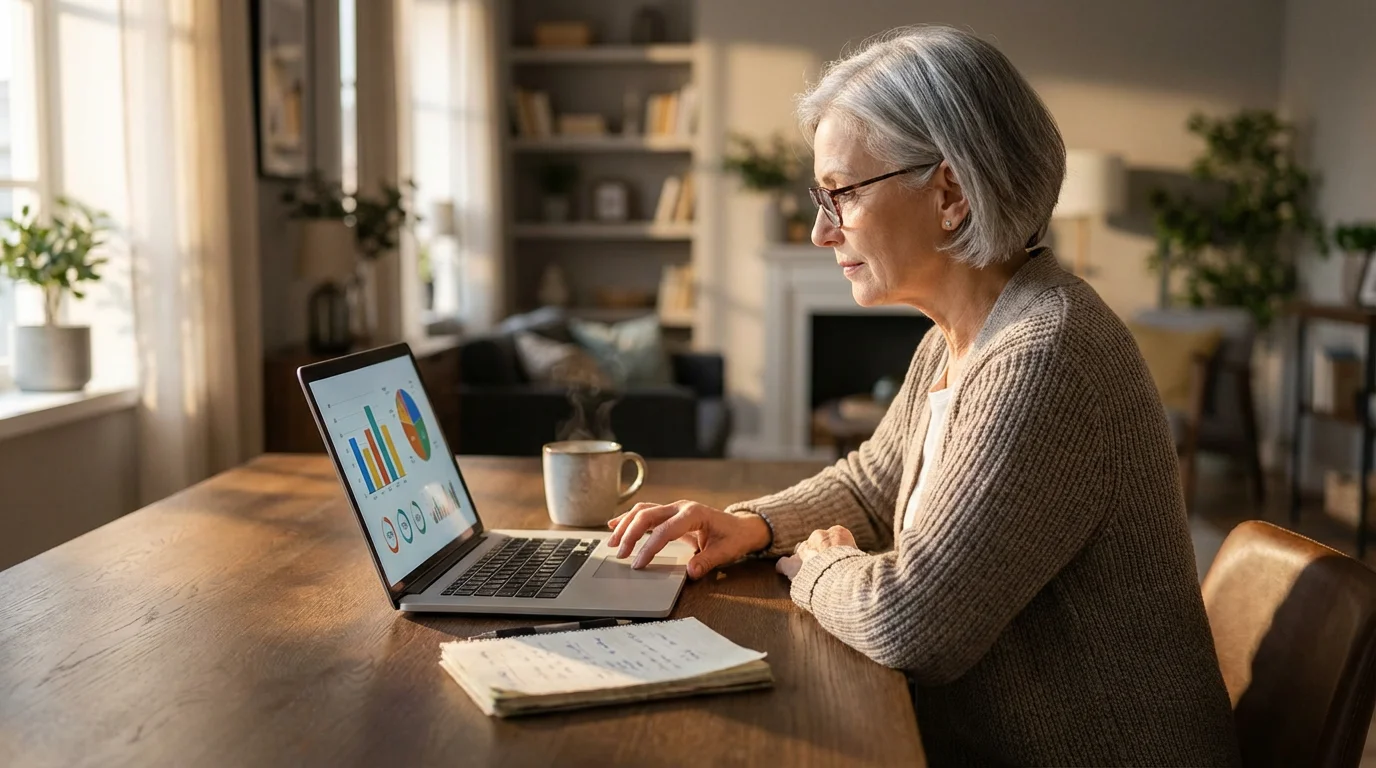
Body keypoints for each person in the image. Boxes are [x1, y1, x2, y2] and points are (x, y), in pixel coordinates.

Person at [607, 25, 1239, 767]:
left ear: (951, 192)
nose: (819, 230)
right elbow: (873, 488)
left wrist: (818, 570)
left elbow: (913, 624)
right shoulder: (960, 333)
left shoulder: (1046, 356)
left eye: (840, 193)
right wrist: (752, 525)